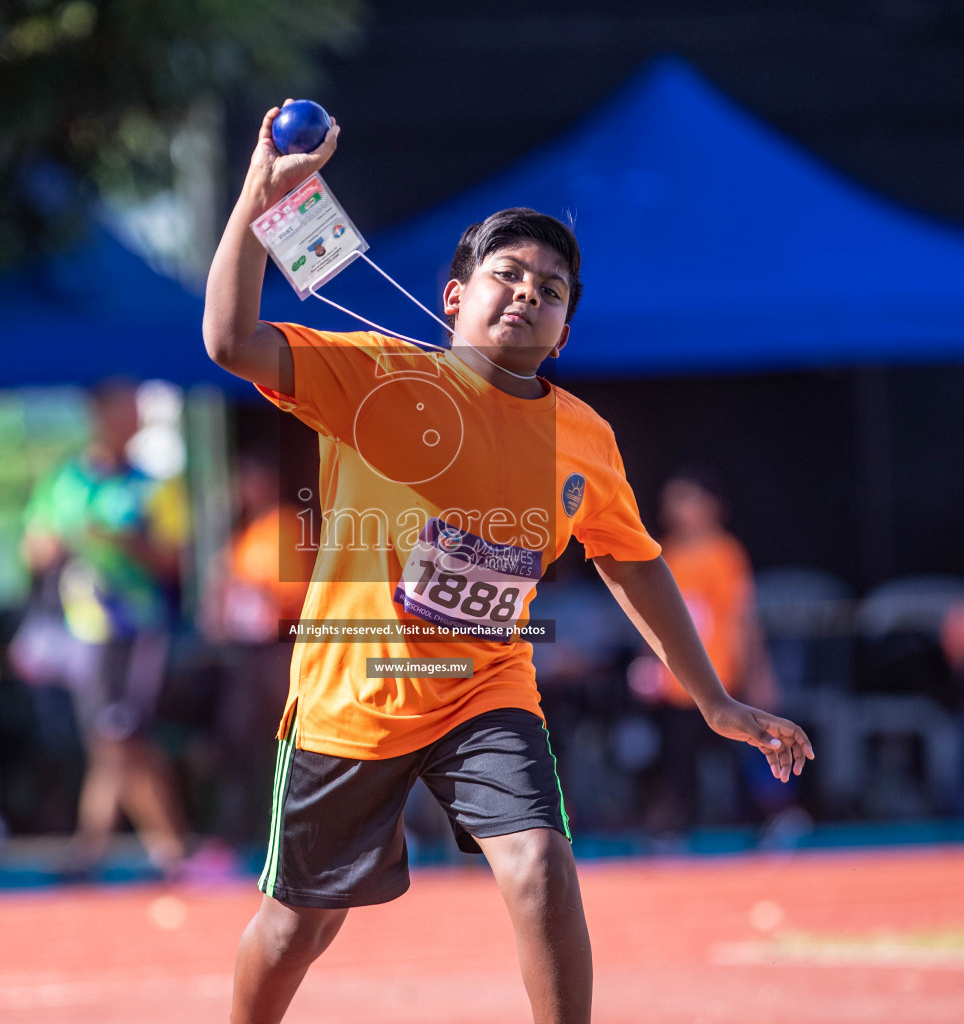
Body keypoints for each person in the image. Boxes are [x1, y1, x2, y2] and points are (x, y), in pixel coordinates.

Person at [202, 102, 813, 1024]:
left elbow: (634, 563)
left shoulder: (582, 438)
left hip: (484, 689)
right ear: (454, 297)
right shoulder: (377, 378)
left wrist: (716, 700)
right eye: (506, 275)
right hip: (353, 695)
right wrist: (259, 194)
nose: (527, 293)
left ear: (565, 332)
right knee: (300, 925)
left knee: (540, 862)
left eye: (551, 288)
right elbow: (228, 341)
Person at [22, 379, 190, 877]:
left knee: (118, 736)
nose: (136, 418)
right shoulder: (63, 482)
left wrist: (122, 542)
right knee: (114, 739)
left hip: (135, 629)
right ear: (100, 414)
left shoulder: (151, 485)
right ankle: (164, 849)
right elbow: (33, 548)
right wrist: (58, 544)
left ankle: (108, 849)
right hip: (83, 630)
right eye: (128, 409)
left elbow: (173, 559)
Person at [628, 472, 780, 832]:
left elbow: (742, 617)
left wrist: (759, 674)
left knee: (739, 754)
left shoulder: (724, 553)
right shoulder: (662, 553)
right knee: (678, 762)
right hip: (678, 683)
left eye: (687, 500)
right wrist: (646, 662)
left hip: (722, 677)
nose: (678, 510)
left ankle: (765, 823)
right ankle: (680, 834)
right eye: (673, 501)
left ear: (711, 506)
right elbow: (648, 613)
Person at [201, 454, 313, 843]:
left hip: (276, 648)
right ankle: (244, 830)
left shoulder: (284, 526)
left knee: (281, 741)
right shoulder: (247, 532)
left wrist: (244, 584)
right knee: (238, 741)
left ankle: (285, 831)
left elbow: (293, 594)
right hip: (247, 651)